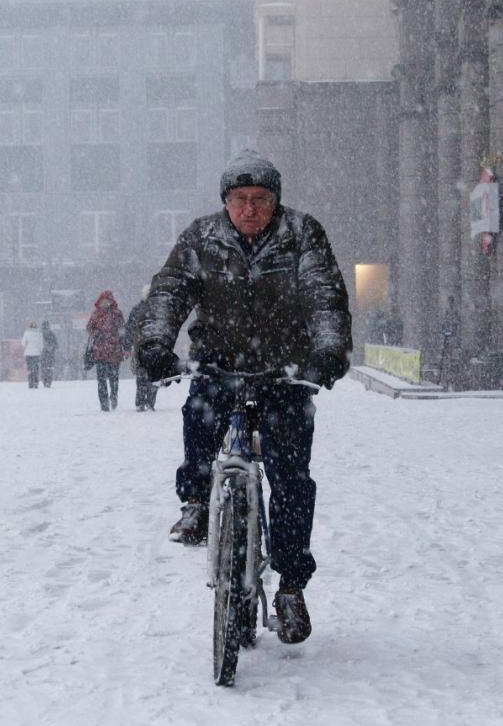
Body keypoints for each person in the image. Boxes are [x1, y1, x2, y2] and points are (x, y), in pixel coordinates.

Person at [138, 149, 352, 644]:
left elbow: (324, 294)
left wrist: (328, 350)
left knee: (291, 477)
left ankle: (292, 585)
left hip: (285, 372)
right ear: (225, 202)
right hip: (220, 364)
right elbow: (170, 291)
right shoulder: (201, 238)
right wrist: (154, 344)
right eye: (240, 199)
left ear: (275, 201)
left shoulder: (302, 234)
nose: (250, 209)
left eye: (260, 199)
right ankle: (195, 502)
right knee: (200, 413)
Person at [86, 290, 125, 412]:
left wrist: (120, 341)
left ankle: (113, 397)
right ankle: (104, 404)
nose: (105, 303)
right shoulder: (96, 314)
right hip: (100, 352)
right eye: (103, 300)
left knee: (114, 379)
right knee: (101, 380)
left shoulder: (117, 314)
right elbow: (89, 328)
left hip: (114, 352)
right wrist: (97, 333)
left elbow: (122, 329)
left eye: (107, 300)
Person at [124, 285, 158, 412]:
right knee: (147, 375)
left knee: (147, 375)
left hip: (147, 345)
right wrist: (127, 344)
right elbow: (130, 328)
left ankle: (144, 402)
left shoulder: (142, 309)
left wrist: (127, 344)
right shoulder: (157, 308)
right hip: (146, 346)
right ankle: (145, 402)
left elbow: (129, 328)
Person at [21, 321, 44, 389]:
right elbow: (41, 345)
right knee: (36, 369)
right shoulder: (39, 333)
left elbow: (23, 343)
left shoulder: (26, 333)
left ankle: (30, 383)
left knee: (30, 369)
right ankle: (35, 383)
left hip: (28, 354)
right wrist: (39, 351)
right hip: (36, 354)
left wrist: (27, 346)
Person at [41, 321, 58, 388]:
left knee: (44, 368)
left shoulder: (40, 334)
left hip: (43, 354)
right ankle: (48, 382)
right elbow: (56, 345)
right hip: (50, 354)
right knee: (49, 368)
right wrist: (51, 347)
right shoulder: (52, 334)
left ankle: (45, 381)